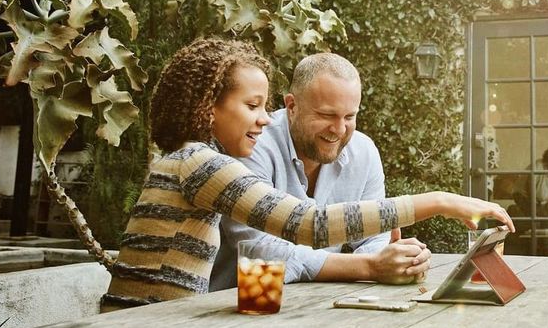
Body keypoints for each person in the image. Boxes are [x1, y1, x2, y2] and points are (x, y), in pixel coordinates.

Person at [101, 39, 512, 309]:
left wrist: (389, 261)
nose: (264, 120)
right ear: (209, 107)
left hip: (175, 322)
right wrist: (439, 201)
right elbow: (305, 225)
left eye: (264, 107)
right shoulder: (202, 165)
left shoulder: (196, 160)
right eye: (252, 106)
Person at [211, 53, 430, 289]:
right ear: (292, 106)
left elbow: (375, 237)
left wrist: (399, 262)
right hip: (238, 309)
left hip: (319, 304)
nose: (339, 129)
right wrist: (369, 267)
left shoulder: (363, 151)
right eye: (327, 115)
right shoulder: (251, 144)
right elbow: (257, 247)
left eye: (349, 116)